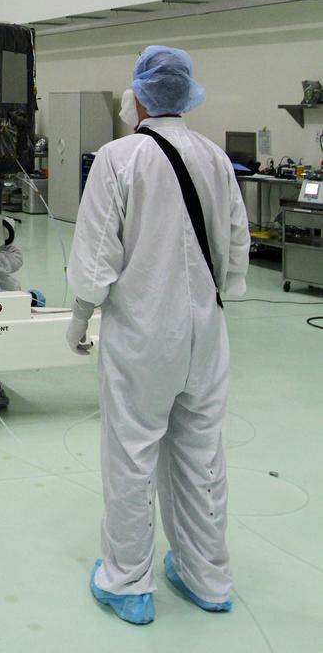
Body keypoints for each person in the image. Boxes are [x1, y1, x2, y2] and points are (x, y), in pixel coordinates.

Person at [65, 45, 249, 625]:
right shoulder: (215, 158)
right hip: (207, 333)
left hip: (143, 334)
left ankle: (127, 583)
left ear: (139, 95)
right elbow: (236, 243)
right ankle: (207, 577)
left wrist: (79, 316)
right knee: (202, 456)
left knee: (132, 453)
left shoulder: (119, 158)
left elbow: (97, 252)